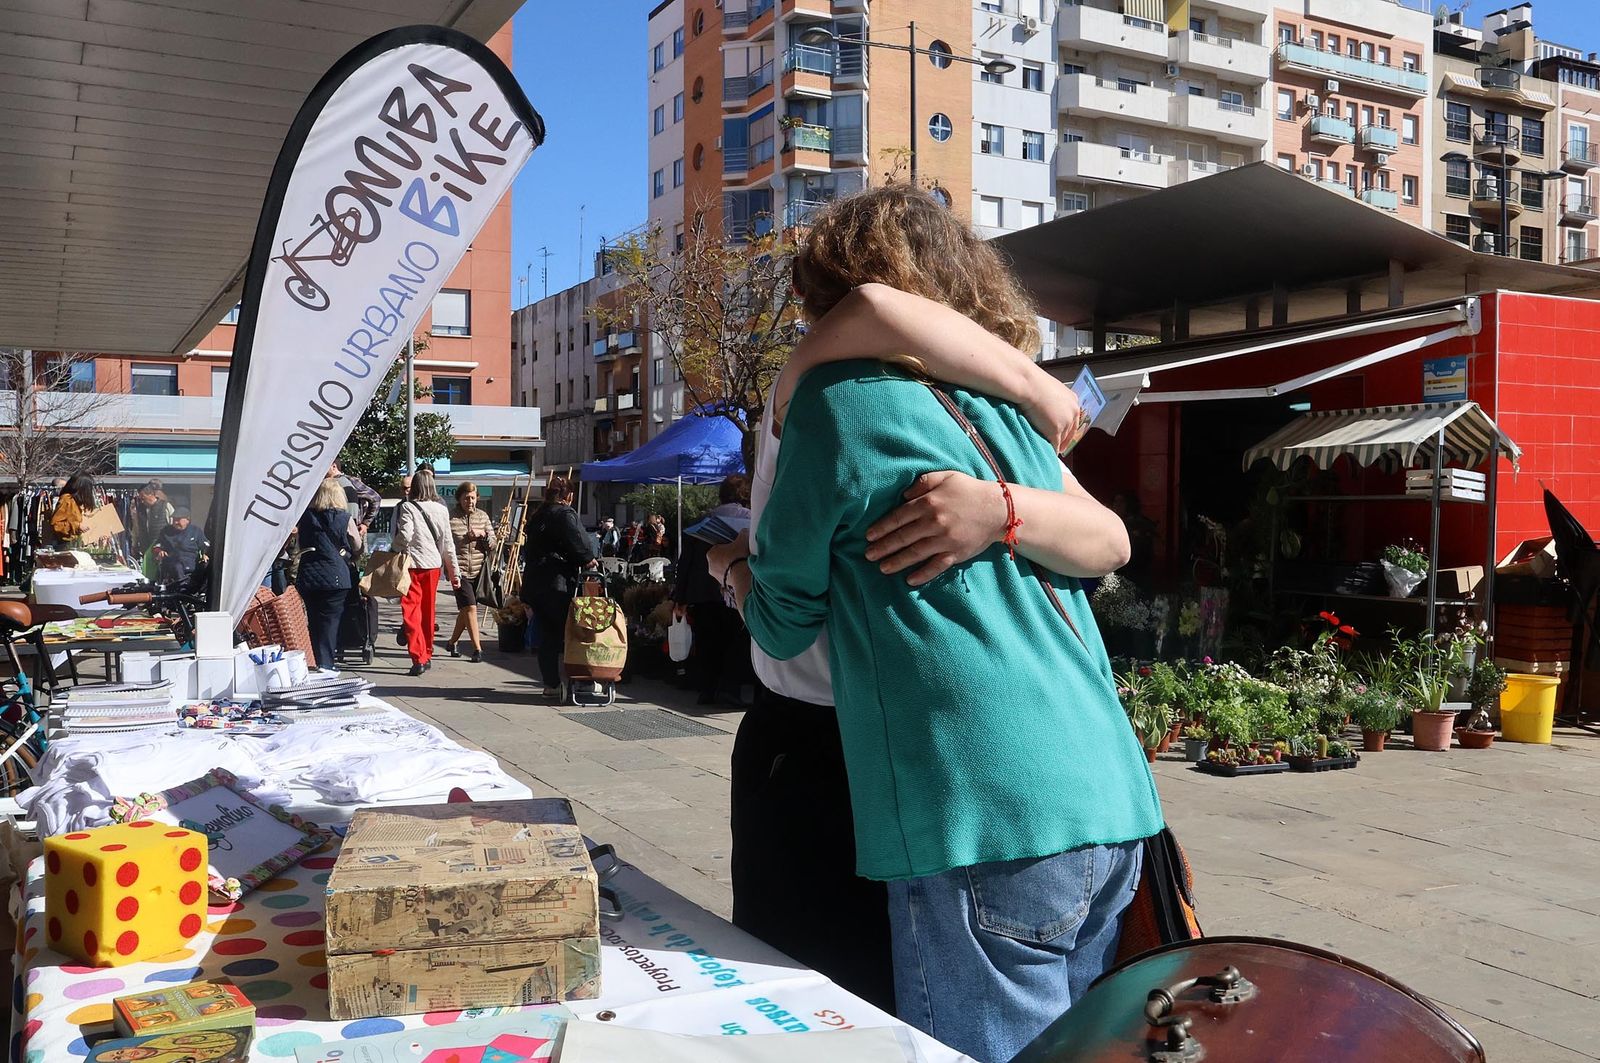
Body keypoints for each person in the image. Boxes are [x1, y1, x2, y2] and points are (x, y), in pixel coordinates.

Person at [713, 187, 1164, 1063]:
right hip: (1107, 797)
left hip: (965, 801)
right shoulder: (1007, 422)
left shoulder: (832, 399)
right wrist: (1009, 486)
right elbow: (1109, 540)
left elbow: (781, 620)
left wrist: (732, 570)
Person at [671, 476, 753, 707]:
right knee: (736, 643)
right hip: (735, 590)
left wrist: (680, 597)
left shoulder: (701, 521)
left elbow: (684, 563)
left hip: (702, 594)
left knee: (708, 642)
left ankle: (707, 689)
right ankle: (729, 689)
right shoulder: (751, 520)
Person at [521, 475, 597, 698]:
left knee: (547, 636)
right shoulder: (564, 513)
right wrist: (588, 559)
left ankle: (550, 684)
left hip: (535, 583)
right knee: (573, 633)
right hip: (558, 583)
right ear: (569, 496)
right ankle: (580, 680)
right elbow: (581, 544)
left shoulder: (538, 515)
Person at [393, 465, 460, 676]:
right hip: (433, 566)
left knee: (411, 612)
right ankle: (428, 653)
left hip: (413, 565)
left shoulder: (408, 507)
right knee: (428, 612)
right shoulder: (441, 509)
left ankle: (418, 657)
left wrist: (394, 548)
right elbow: (448, 545)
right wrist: (455, 573)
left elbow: (405, 535)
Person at [295, 478, 360, 672]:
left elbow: (300, 544)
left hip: (309, 575)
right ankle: (326, 662)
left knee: (313, 619)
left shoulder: (305, 517)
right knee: (330, 621)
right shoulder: (344, 518)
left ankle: (314, 659)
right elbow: (356, 544)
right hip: (336, 576)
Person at [446, 481, 496, 663]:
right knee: (471, 607)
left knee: (466, 609)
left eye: (473, 498)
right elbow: (445, 544)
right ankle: (477, 649)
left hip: (478, 570)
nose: (470, 501)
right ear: (459, 499)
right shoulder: (450, 518)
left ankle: (452, 642)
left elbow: (493, 543)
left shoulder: (482, 517)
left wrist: (483, 535)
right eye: (466, 498)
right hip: (459, 571)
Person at [152, 508, 208, 587]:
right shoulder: (166, 531)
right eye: (174, 520)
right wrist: (159, 551)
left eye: (178, 520)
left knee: (206, 566)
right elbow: (156, 546)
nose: (175, 522)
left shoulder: (196, 531)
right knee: (177, 565)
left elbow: (205, 545)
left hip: (192, 562)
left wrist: (205, 554)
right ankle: (183, 587)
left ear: (187, 520)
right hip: (172, 562)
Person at [327, 457, 381, 535]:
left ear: (334, 466)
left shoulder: (350, 481)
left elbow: (375, 498)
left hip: (354, 531)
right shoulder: (325, 483)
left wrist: (365, 524)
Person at [49, 473, 102, 547]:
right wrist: (77, 526)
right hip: (65, 545)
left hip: (78, 543)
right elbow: (55, 524)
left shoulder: (78, 501)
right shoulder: (67, 499)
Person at [128, 480, 174, 561]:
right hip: (146, 550)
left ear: (151, 494)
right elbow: (136, 528)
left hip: (162, 550)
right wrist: (134, 544)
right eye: (140, 499)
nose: (142, 501)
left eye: (143, 498)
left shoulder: (166, 506)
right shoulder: (140, 509)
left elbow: (173, 525)